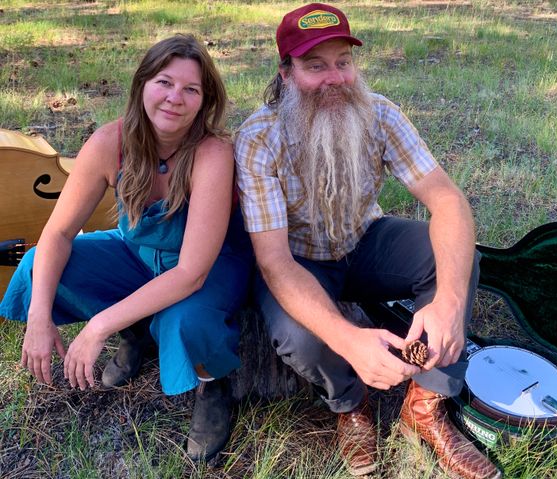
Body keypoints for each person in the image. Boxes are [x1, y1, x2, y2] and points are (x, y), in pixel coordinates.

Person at [234, 4, 501, 479]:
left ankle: (425, 407)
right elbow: (274, 262)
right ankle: (349, 403)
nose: (334, 78)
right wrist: (349, 341)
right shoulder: (259, 138)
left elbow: (447, 200)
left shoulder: (379, 113)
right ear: (286, 72)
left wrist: (449, 301)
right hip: (299, 260)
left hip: (364, 240)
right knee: (300, 337)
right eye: (315, 66)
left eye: (343, 62)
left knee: (457, 262)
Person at [0, 34, 253, 462]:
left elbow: (190, 273)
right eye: (164, 82)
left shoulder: (212, 153)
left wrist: (97, 326)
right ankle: (135, 330)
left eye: (191, 89)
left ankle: (212, 384)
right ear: (141, 85)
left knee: (187, 320)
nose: (175, 97)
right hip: (138, 254)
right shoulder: (109, 142)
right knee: (38, 264)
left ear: (204, 101)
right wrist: (39, 318)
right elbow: (58, 234)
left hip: (207, 266)